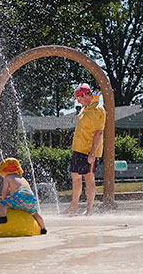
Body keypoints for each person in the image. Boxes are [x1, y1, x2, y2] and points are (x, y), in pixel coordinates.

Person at [62, 85, 105, 216]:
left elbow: (98, 133)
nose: (78, 101)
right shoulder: (86, 108)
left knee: (89, 177)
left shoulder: (98, 110)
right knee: (75, 176)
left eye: (78, 98)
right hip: (78, 149)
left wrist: (92, 152)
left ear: (85, 95)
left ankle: (89, 208)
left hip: (88, 151)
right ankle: (74, 205)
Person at [0, 158, 46, 235]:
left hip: (20, 195)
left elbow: (4, 191)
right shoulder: (22, 178)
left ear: (5, 171)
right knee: (35, 213)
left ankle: (3, 217)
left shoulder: (8, 177)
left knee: (2, 205)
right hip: (30, 197)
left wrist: (4, 200)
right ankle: (43, 228)